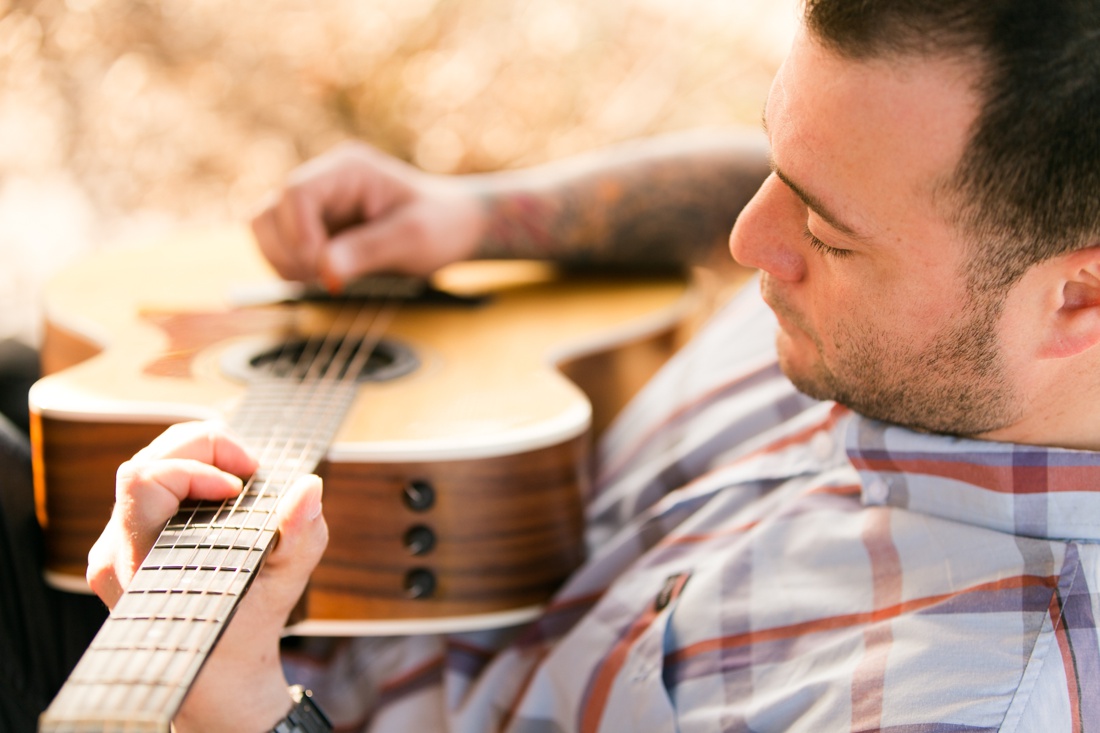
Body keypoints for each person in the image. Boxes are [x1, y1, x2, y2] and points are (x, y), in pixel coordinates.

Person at [80, 0, 1100, 730]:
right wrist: (477, 215)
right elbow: (760, 191)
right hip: (350, 607)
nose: (748, 241)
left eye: (828, 235)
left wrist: (247, 711)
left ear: (1079, 299)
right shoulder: (928, 260)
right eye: (775, 166)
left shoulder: (970, 699)